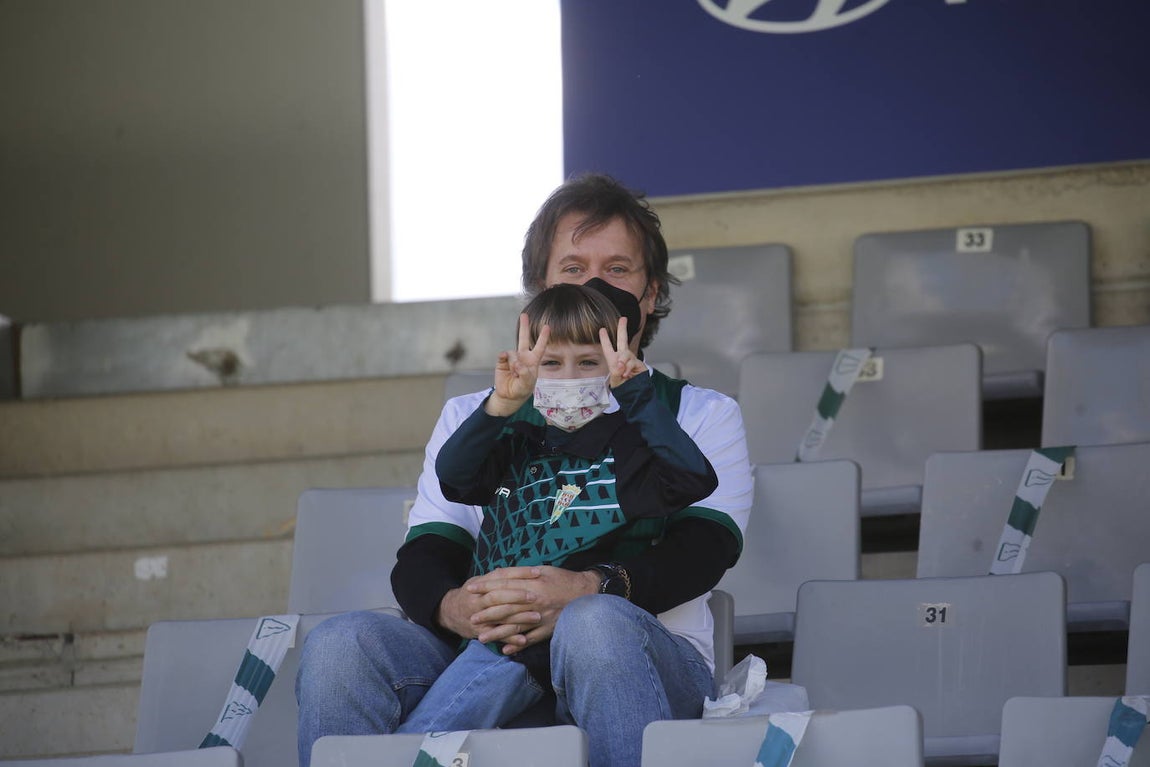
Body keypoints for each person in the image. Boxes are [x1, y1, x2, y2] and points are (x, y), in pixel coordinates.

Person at [296, 173, 754, 767]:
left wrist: (587, 590)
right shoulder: (478, 413)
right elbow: (427, 551)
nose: (593, 284)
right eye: (572, 269)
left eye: (617, 269)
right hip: (482, 641)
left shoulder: (700, 413)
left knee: (591, 624)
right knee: (339, 644)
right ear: (541, 291)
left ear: (649, 294)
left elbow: (703, 552)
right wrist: (459, 608)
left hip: (643, 649)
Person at [396, 282, 719, 734]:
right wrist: (502, 404)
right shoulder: (517, 440)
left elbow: (693, 478)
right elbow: (455, 477)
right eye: (551, 362)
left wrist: (639, 394)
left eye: (588, 362)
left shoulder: (628, 449)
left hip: (563, 638)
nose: (569, 378)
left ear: (611, 367)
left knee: (421, 739)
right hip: (494, 637)